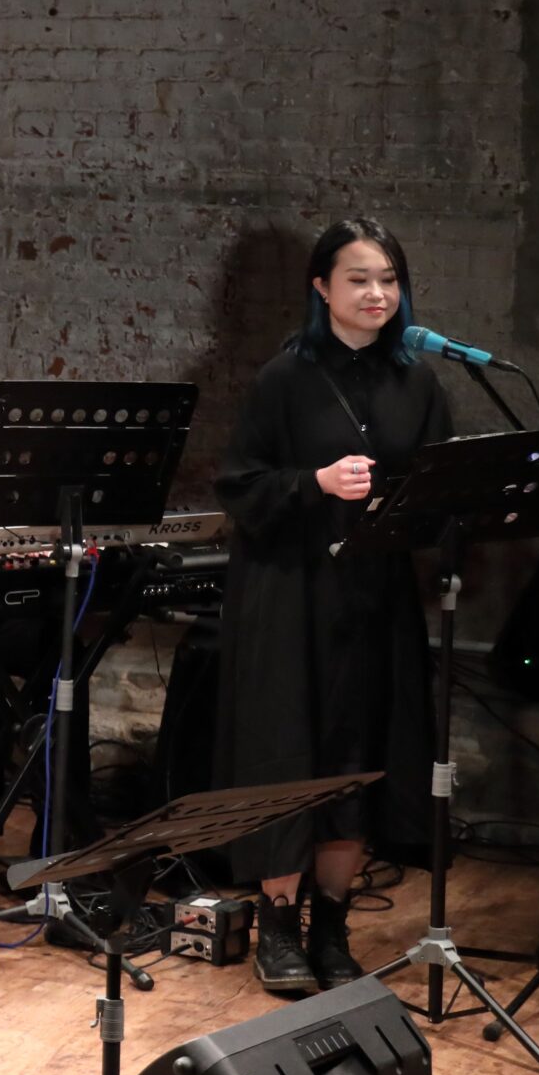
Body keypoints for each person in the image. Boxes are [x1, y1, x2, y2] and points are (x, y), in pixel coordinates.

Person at [213, 217, 452, 997]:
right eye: (359, 278)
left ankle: (332, 924)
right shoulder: (285, 378)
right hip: (290, 594)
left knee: (357, 758)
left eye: (388, 278)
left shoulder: (418, 381)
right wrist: (314, 483)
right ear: (321, 287)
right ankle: (278, 925)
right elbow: (240, 486)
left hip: (373, 598)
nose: (377, 293)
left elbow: (439, 487)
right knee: (287, 754)